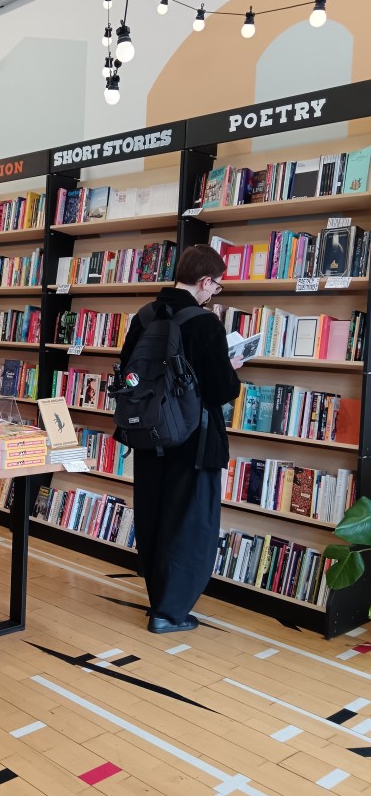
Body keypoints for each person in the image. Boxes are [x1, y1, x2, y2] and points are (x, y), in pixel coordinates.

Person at [118, 244, 242, 634]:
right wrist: (232, 366)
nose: (214, 293)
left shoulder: (143, 316)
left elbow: (127, 373)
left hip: (148, 432)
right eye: (216, 286)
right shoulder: (205, 324)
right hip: (194, 439)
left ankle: (159, 602)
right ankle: (170, 613)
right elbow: (222, 390)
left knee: (153, 516)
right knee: (190, 524)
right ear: (204, 281)